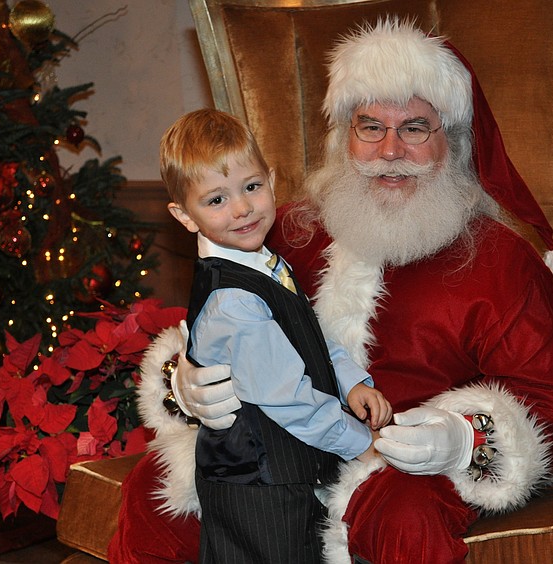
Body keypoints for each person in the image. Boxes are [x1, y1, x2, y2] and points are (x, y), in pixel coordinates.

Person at [111, 18, 553, 564]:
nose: (390, 150)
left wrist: (462, 438)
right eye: (370, 126)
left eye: (415, 128)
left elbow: (552, 401)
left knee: (403, 520)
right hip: (279, 442)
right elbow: (225, 320)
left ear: (453, 142)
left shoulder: (503, 261)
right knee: (155, 490)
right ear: (344, 135)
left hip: (400, 465)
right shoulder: (287, 227)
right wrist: (187, 379)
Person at [159, 109, 391, 563]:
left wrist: (350, 379)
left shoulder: (265, 261)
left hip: (289, 474)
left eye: (251, 187)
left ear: (271, 180)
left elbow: (310, 333)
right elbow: (289, 399)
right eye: (216, 200)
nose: (242, 209)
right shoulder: (233, 300)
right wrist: (364, 443)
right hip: (258, 487)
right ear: (184, 216)